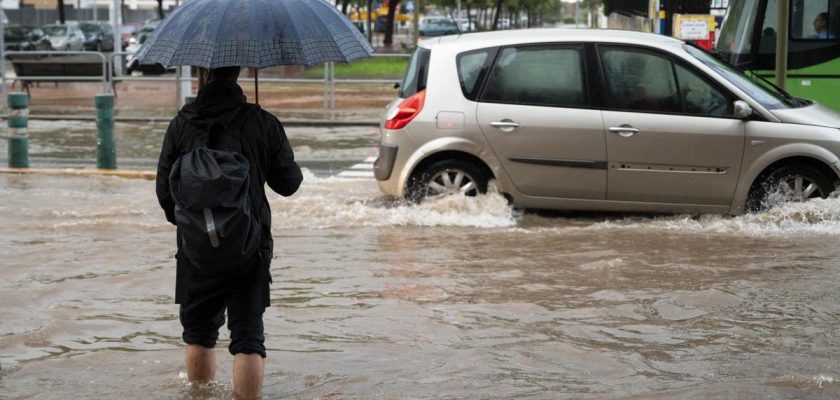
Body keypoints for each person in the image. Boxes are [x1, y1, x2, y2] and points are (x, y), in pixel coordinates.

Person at [156, 66, 302, 399]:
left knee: (198, 334)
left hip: (194, 251)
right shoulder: (262, 122)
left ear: (201, 72)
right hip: (251, 247)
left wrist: (199, 227)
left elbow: (165, 195)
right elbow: (289, 184)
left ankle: (200, 396)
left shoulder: (181, 124)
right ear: (239, 71)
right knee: (248, 337)